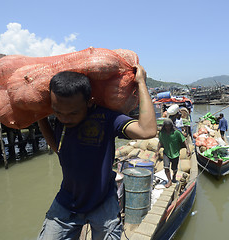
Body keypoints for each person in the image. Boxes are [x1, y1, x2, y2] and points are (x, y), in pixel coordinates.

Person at [37, 65, 157, 240]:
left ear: (90, 102)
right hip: (67, 201)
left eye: (73, 113)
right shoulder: (61, 120)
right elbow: (59, 150)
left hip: (103, 202)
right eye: (58, 113)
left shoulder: (107, 118)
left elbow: (147, 130)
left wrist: (141, 83)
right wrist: (41, 119)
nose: (64, 118)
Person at [156, 118, 190, 188]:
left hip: (175, 153)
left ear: (171, 126)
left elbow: (184, 141)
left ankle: (174, 177)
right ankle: (169, 180)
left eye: (169, 126)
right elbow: (160, 142)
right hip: (166, 153)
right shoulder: (162, 133)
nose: (167, 127)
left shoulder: (176, 133)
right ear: (164, 126)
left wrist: (188, 149)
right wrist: (157, 150)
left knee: (174, 169)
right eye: (166, 126)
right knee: (166, 167)